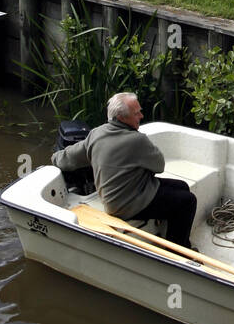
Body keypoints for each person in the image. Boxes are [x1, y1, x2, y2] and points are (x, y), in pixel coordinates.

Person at [51, 92, 197, 249]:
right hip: (129, 204)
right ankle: (179, 250)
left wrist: (54, 158)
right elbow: (159, 166)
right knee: (188, 201)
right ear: (122, 118)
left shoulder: (96, 134)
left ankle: (167, 227)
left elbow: (69, 157)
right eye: (136, 113)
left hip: (113, 199)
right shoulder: (137, 140)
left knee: (181, 186)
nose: (141, 115)